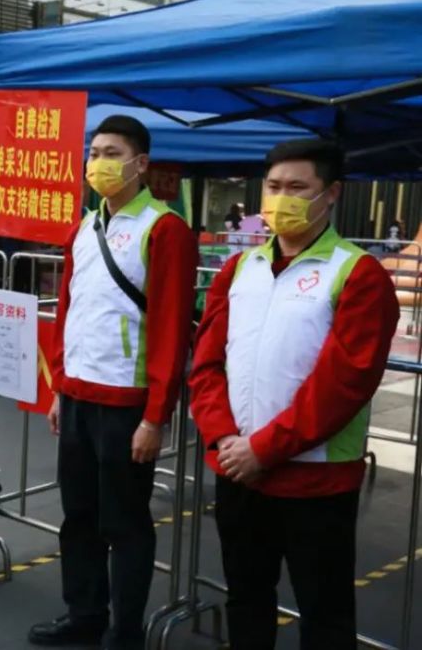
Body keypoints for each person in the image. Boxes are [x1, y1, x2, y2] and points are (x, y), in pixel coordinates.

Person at [190, 139, 399, 650]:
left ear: (330, 194)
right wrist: (224, 439)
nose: (281, 199)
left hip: (316, 481)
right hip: (238, 470)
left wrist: (265, 447)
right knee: (247, 598)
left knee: (323, 614)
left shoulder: (358, 274)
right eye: (274, 187)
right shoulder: (239, 270)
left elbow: (343, 384)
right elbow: (205, 365)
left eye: (297, 188)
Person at [29, 115, 198, 650]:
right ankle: (84, 614)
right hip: (77, 395)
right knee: (78, 517)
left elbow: (171, 328)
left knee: (124, 525)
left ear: (140, 163)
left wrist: (155, 416)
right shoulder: (83, 228)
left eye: (111, 152)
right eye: (94, 151)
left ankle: (125, 634)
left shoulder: (165, 228)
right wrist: (59, 388)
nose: (97, 162)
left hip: (127, 407)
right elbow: (71, 311)